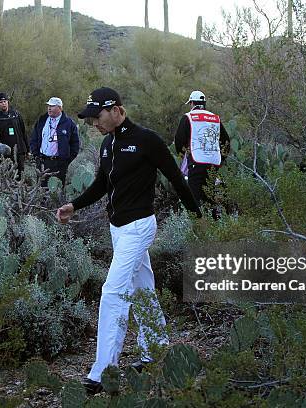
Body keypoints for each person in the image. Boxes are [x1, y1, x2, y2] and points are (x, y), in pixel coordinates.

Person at [56, 87, 202, 394]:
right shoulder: (108, 143)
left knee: (113, 292)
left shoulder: (147, 140)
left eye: (97, 116)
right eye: (91, 118)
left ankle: (102, 371)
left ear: (116, 110)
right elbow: (100, 184)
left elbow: (176, 177)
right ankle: (155, 345)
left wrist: (198, 216)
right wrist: (74, 205)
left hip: (139, 227)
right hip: (117, 228)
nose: (94, 123)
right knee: (142, 286)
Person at [174, 90, 230, 206]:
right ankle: (213, 221)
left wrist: (182, 155)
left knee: (195, 196)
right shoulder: (215, 118)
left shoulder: (188, 117)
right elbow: (226, 141)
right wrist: (222, 158)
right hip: (214, 162)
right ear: (204, 103)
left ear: (192, 103)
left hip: (196, 161)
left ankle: (198, 222)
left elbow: (179, 140)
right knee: (209, 196)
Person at [29, 97, 79, 187]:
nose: (49, 108)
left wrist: (66, 160)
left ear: (60, 108)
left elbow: (75, 144)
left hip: (59, 164)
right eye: (48, 105)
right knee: (41, 190)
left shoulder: (69, 123)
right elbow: (34, 138)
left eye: (52, 106)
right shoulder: (42, 120)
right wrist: (36, 155)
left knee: (57, 190)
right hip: (42, 162)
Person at [0, 92, 28, 178]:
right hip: (5, 153)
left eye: (5, 101)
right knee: (7, 177)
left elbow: (23, 132)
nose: (3, 104)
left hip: (19, 151)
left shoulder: (16, 115)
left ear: (8, 102)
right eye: (1, 102)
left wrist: (27, 150)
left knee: (20, 176)